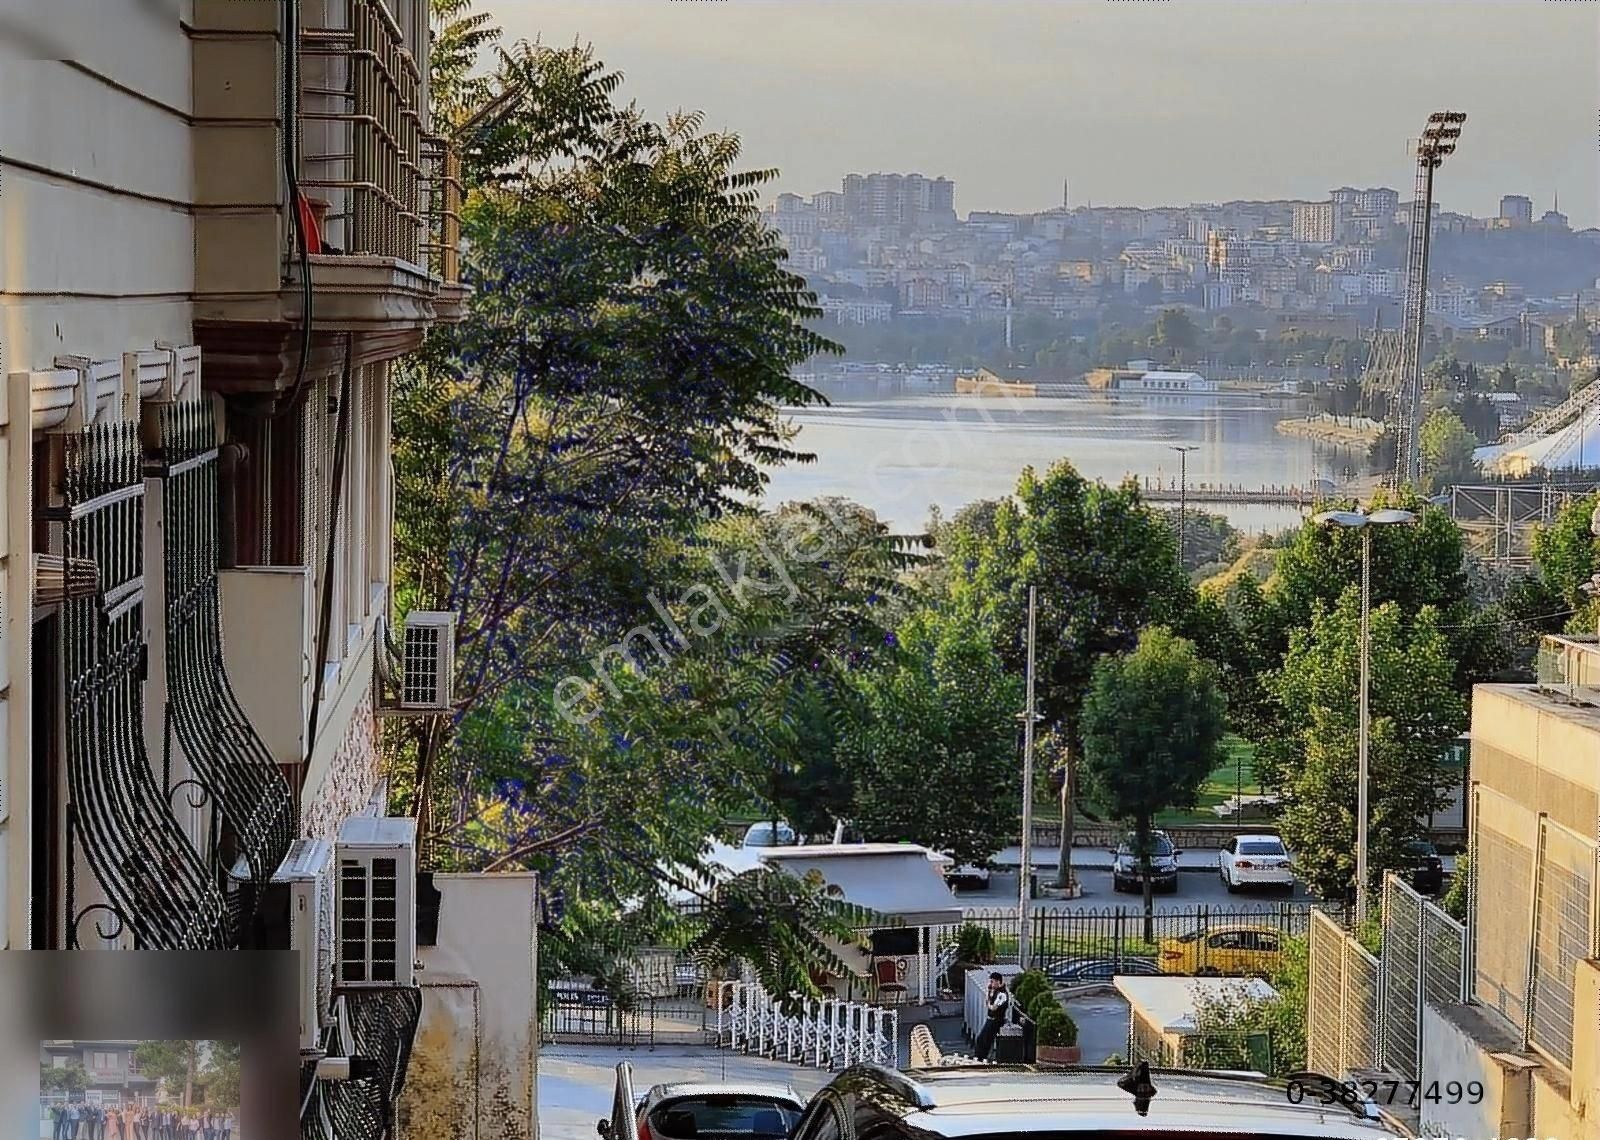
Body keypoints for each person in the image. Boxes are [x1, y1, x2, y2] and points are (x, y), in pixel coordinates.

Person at [973, 971, 1012, 1061]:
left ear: (998, 982)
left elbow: (994, 1007)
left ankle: (982, 1057)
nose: (991, 984)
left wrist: (989, 1003)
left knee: (985, 1040)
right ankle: (979, 1056)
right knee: (981, 1039)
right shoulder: (995, 992)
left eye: (992, 981)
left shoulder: (1002, 994)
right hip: (990, 1019)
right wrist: (989, 994)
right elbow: (988, 1002)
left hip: (996, 1020)